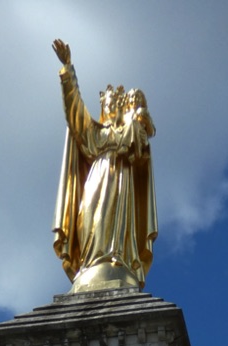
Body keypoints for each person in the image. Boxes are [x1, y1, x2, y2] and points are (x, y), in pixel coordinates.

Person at [52, 39, 157, 291]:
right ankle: (89, 265)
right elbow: (75, 110)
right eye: (107, 102)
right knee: (89, 218)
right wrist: (68, 70)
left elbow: (142, 138)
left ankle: (117, 261)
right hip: (97, 177)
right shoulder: (94, 133)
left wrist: (138, 111)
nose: (111, 105)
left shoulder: (130, 130)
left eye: (115, 102)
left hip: (120, 179)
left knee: (116, 225)